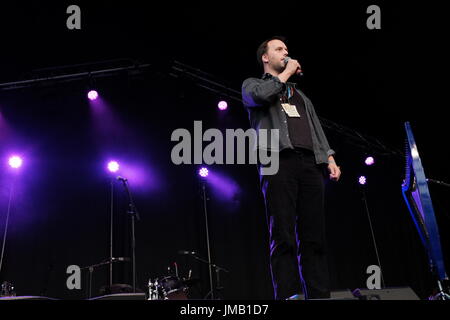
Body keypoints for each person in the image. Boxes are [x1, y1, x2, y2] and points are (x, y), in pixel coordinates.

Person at [241, 36, 341, 300]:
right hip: (277, 162)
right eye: (279, 49)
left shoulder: (301, 96)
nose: (286, 52)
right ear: (265, 57)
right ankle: (290, 295)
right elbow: (260, 97)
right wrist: (285, 73)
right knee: (283, 234)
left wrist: (329, 157)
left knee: (314, 238)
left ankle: (319, 295)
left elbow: (315, 129)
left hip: (309, 164)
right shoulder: (252, 85)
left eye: (286, 49)